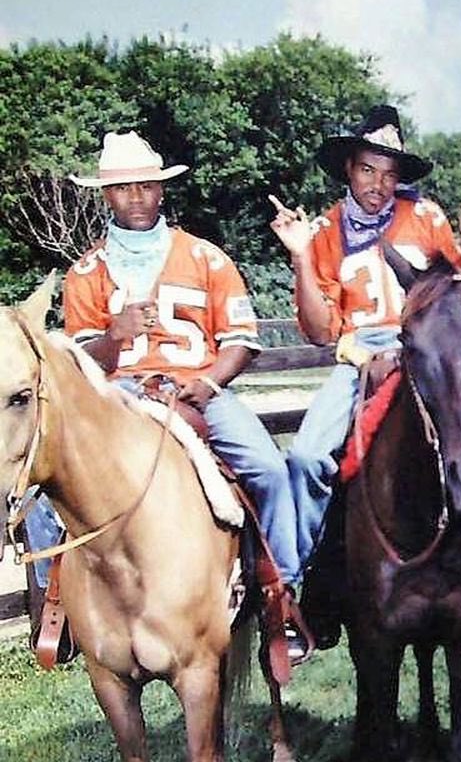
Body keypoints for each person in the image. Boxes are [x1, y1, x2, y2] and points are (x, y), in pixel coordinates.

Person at [27, 130, 306, 659]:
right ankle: (57, 609)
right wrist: (117, 334)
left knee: (269, 469)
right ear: (105, 196)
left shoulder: (206, 257)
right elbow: (83, 363)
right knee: (49, 485)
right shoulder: (85, 272)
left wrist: (209, 382)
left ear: (162, 191)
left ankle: (281, 595)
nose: (136, 198)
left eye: (146, 187)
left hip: (196, 387)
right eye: (123, 188)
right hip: (118, 398)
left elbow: (241, 341)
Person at [269, 105, 461, 604]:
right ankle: (295, 586)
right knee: (306, 457)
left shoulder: (427, 217)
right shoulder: (325, 233)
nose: (379, 183)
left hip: (434, 352)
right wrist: (301, 258)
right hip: (364, 356)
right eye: (369, 170)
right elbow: (318, 328)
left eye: (390, 174)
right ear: (349, 169)